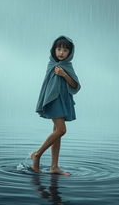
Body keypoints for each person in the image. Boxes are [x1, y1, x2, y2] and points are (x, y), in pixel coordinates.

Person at [31, 35, 81, 175]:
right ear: (54, 50)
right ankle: (37, 154)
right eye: (58, 49)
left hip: (63, 100)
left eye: (65, 50)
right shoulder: (52, 65)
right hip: (53, 100)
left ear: (70, 53)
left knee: (57, 133)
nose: (61, 53)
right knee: (61, 130)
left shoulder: (67, 66)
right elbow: (48, 86)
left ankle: (54, 167)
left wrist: (64, 74)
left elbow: (75, 85)